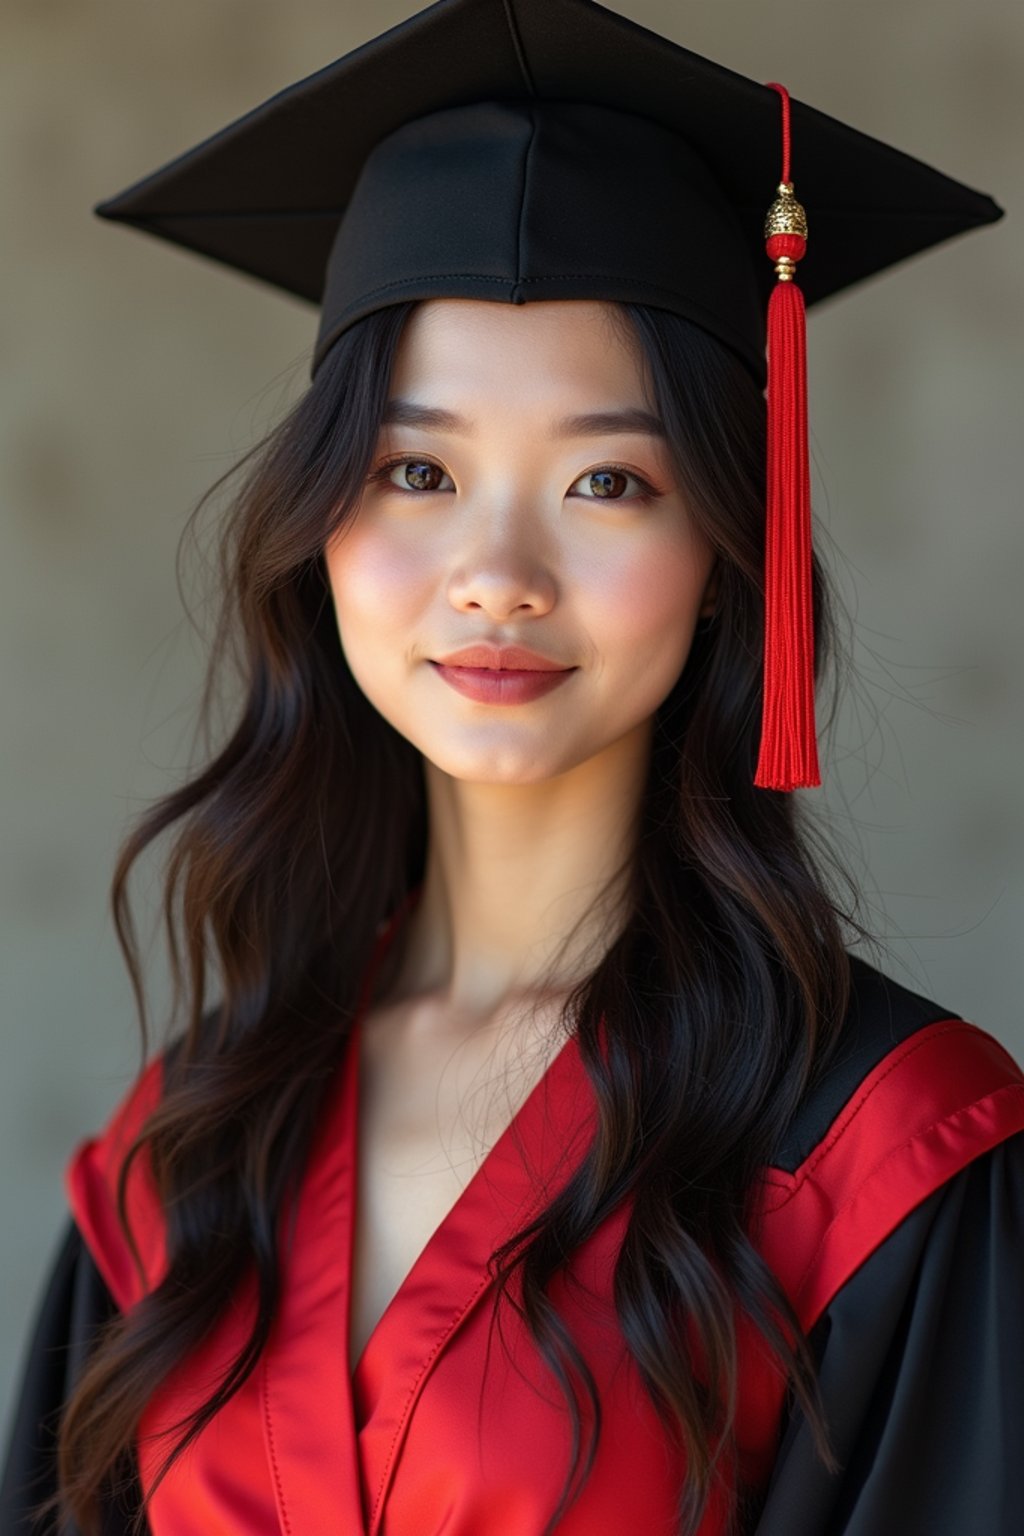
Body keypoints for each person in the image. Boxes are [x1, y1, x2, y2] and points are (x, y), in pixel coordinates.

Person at [2, 1, 1022, 1533]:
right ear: (322, 527)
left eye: (609, 480)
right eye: (418, 470)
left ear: (725, 556)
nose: (497, 572)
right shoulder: (188, 1140)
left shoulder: (875, 1156)